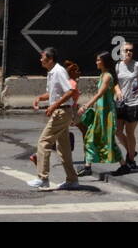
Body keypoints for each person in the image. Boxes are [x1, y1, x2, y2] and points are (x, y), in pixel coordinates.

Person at [29, 47, 81, 189]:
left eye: (43, 57)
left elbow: (71, 91)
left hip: (61, 112)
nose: (40, 59)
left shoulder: (58, 71)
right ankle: (72, 180)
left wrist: (54, 106)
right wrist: (39, 98)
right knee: (63, 148)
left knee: (43, 142)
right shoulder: (51, 72)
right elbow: (51, 93)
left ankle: (43, 178)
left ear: (50, 59)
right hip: (60, 111)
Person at [78, 52, 122, 174]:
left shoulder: (107, 76)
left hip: (106, 114)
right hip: (100, 113)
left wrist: (86, 105)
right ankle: (87, 167)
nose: (96, 62)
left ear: (104, 62)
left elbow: (100, 94)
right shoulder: (102, 75)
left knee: (109, 141)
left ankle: (124, 165)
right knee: (91, 138)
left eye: (98, 60)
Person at [114, 42, 138, 173]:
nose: (129, 52)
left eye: (131, 51)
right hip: (121, 103)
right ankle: (131, 151)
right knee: (117, 131)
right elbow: (115, 83)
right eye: (126, 50)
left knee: (129, 132)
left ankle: (131, 160)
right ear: (121, 52)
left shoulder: (137, 65)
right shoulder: (118, 66)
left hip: (134, 103)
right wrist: (117, 91)